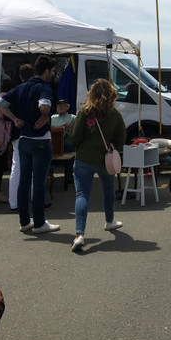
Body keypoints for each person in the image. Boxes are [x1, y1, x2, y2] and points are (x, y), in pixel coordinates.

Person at [0, 55, 60, 234]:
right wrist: (45, 115)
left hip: (23, 139)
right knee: (38, 182)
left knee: (24, 181)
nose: (52, 74)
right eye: (52, 71)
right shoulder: (44, 87)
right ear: (46, 71)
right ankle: (40, 223)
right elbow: (44, 107)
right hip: (40, 140)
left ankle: (25, 221)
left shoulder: (21, 87)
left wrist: (15, 119)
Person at [68, 78, 126, 252]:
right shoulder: (115, 115)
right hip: (104, 160)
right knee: (108, 189)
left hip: (84, 159)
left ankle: (80, 234)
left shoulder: (84, 113)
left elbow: (74, 137)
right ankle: (109, 221)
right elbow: (121, 138)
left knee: (82, 195)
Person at [8, 63, 33, 211]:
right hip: (32, 133)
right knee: (35, 168)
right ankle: (35, 199)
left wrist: (14, 119)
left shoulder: (15, 91)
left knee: (16, 167)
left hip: (17, 133)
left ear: (20, 76)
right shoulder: (36, 90)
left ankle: (13, 202)